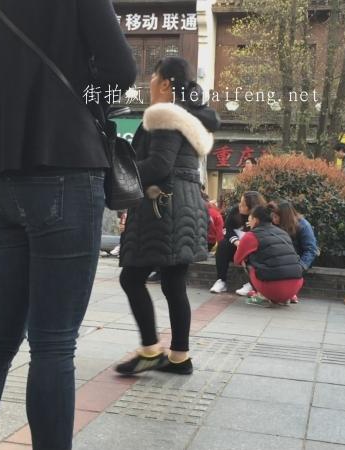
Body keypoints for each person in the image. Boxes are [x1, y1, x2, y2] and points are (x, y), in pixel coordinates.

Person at [0, 1, 136, 448]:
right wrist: (78, 100)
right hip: (65, 167)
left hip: (1, 177)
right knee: (53, 344)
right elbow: (122, 69)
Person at [115, 56, 221, 376]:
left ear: (164, 84)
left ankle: (150, 350)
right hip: (187, 204)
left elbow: (159, 165)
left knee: (131, 278)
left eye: (152, 77)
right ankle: (179, 357)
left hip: (162, 208)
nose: (149, 83)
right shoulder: (191, 118)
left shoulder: (164, 115)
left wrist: (123, 171)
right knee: (174, 284)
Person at [234, 205, 304, 307]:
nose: (249, 220)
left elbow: (237, 260)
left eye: (250, 217)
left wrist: (240, 246)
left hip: (272, 287)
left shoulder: (251, 235)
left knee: (246, 260)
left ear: (255, 220)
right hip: (296, 285)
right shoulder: (283, 233)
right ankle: (285, 297)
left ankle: (262, 296)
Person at [209, 191, 267, 294]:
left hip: (252, 246)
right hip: (236, 244)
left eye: (243, 204)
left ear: (251, 208)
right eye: (240, 202)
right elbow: (227, 229)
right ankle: (221, 280)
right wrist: (236, 242)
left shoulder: (261, 215)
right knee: (223, 245)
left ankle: (252, 284)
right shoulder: (235, 211)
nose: (239, 205)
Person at [268, 199, 318, 303]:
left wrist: (301, 267)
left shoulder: (303, 226)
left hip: (298, 259)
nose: (273, 219)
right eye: (272, 216)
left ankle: (289, 292)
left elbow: (311, 250)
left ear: (284, 217)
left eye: (276, 217)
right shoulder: (273, 224)